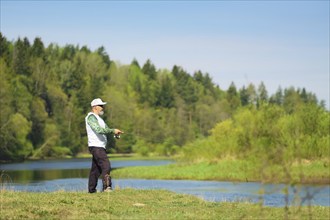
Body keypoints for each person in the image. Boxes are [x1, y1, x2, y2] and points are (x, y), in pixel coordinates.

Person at [85, 98, 123, 193]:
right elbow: (98, 130)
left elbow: (107, 129)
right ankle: (107, 188)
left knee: (96, 170)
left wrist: (115, 134)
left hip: (100, 146)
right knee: (106, 166)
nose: (102, 108)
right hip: (96, 146)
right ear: (94, 107)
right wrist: (112, 130)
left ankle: (91, 190)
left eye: (103, 106)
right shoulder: (91, 117)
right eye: (100, 106)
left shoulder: (100, 119)